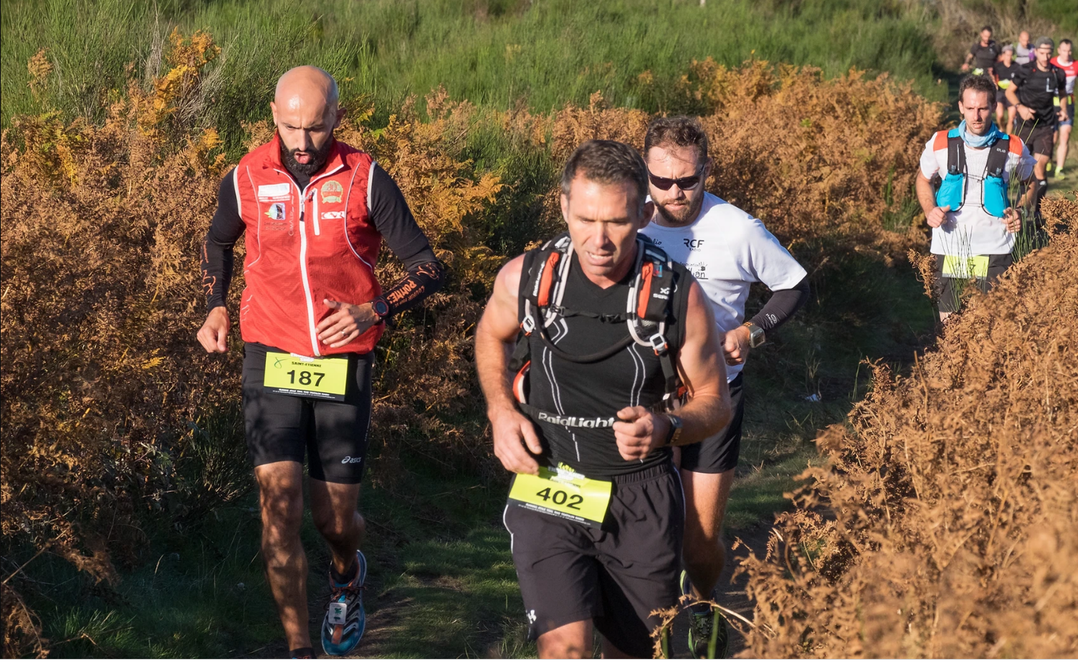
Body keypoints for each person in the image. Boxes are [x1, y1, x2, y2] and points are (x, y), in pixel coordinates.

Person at [196, 66, 445, 659]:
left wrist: (373, 310)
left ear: (337, 116)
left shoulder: (366, 178)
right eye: (290, 127)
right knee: (279, 510)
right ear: (273, 116)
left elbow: (429, 268)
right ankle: (299, 647)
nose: (302, 142)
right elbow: (218, 242)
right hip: (269, 354)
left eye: (314, 127)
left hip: (342, 362)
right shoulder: (246, 175)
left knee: (334, 521)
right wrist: (215, 305)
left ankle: (346, 572)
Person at [476, 140, 732, 659]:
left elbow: (715, 403)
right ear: (563, 207)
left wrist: (665, 429)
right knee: (565, 649)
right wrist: (500, 411)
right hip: (550, 484)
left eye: (615, 222)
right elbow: (490, 336)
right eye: (585, 219)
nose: (599, 240)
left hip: (641, 499)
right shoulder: (527, 278)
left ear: (643, 215)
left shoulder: (677, 297)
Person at [638, 117, 810, 658]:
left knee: (699, 540)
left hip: (714, 398)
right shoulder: (624, 223)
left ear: (706, 171)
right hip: (643, 398)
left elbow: (793, 284)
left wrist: (750, 331)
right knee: (647, 534)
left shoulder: (738, 228)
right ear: (645, 173)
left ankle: (704, 604)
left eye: (686, 181)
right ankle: (650, 633)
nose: (674, 192)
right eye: (661, 181)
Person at [916, 75, 1036, 322]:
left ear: (994, 106)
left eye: (982, 108)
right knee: (950, 327)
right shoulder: (940, 143)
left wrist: (1020, 211)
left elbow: (1031, 184)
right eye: (970, 108)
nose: (976, 116)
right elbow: (923, 179)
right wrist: (930, 210)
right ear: (960, 107)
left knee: (989, 325)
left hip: (995, 249)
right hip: (949, 248)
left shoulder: (1013, 147)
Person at [1006, 37, 1067, 213]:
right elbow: (1009, 92)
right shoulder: (1025, 70)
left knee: (1040, 167)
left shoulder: (1057, 73)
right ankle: (1021, 210)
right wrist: (1020, 107)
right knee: (1022, 167)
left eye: (1048, 53)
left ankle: (1038, 211)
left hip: (1046, 126)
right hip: (1025, 126)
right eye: (1042, 53)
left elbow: (1063, 94)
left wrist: (1063, 109)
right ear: (1036, 52)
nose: (1045, 57)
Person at [1050, 38, 1078, 178]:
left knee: (1065, 134)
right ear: (1059, 51)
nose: (1067, 53)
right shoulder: (1052, 63)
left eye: (1069, 51)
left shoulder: (1077, 65)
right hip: (1052, 102)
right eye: (1064, 50)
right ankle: (1048, 159)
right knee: (1052, 136)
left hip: (1068, 102)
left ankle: (1059, 169)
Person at [994, 44, 1021, 134]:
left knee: (1011, 118)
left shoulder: (1017, 67)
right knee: (1000, 115)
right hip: (1000, 93)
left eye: (1011, 55)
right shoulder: (997, 66)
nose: (1009, 57)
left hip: (1012, 93)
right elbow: (992, 76)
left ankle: (1008, 137)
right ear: (1003, 55)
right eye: (1007, 55)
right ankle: (1002, 129)